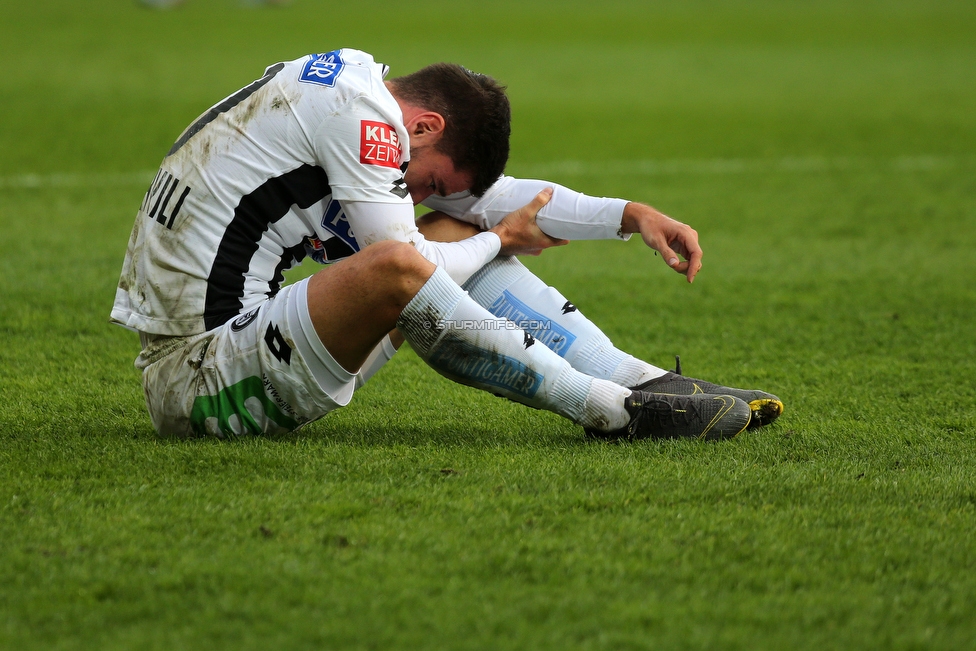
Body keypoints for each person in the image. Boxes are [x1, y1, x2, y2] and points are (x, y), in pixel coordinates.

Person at [111, 49, 783, 441]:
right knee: (406, 262)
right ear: (425, 125)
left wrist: (630, 215)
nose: (420, 192)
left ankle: (642, 380)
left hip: (238, 348)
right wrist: (495, 240)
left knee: (450, 238)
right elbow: (407, 269)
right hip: (196, 376)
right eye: (425, 180)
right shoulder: (362, 118)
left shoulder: (354, 92)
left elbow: (488, 202)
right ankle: (610, 409)